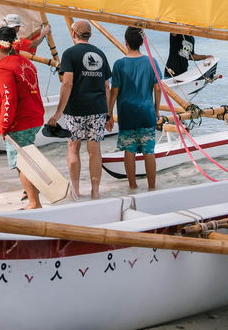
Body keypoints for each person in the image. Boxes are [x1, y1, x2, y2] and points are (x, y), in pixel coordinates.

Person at [46, 19, 110, 200]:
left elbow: (67, 83)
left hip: (75, 109)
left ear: (73, 34)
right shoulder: (100, 54)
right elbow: (106, 86)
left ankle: (75, 190)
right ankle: (95, 191)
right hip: (98, 108)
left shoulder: (70, 54)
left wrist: (58, 112)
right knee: (94, 150)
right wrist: (108, 113)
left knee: (73, 148)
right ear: (89, 35)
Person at [0, 23, 46, 209]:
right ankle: (34, 197)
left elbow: (9, 99)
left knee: (22, 163)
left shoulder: (4, 67)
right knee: (27, 157)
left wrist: (3, 125)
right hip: (34, 116)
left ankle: (34, 202)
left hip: (19, 121)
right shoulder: (26, 62)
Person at [109, 26, 162, 191]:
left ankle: (132, 186)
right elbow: (158, 88)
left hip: (126, 113)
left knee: (129, 150)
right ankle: (152, 187)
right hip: (146, 111)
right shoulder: (151, 62)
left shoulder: (119, 64)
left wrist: (109, 113)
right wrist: (156, 109)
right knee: (149, 150)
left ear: (126, 42)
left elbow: (114, 91)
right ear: (141, 42)